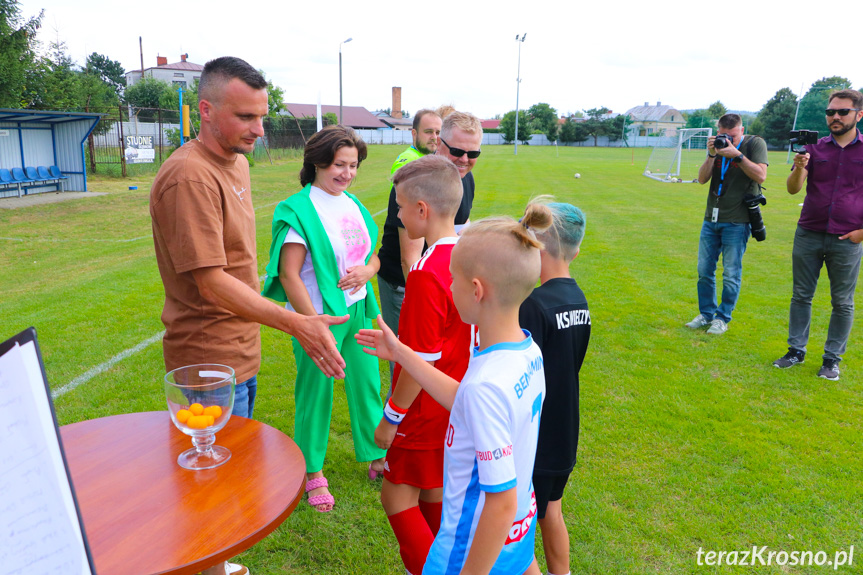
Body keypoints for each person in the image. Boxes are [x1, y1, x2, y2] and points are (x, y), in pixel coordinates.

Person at [150, 56, 347, 575]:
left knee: (230, 474)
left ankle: (218, 562)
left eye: (262, 117)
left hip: (240, 351)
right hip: (206, 361)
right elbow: (210, 282)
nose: (259, 130)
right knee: (207, 479)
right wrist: (297, 321)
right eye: (245, 118)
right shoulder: (189, 176)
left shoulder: (234, 162)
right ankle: (207, 565)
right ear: (206, 111)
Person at [357, 210, 553, 575]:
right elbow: (465, 398)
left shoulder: (485, 385)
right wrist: (401, 352)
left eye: (452, 280)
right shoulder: (525, 352)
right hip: (516, 540)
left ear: (476, 290)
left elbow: (501, 502)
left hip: (468, 552)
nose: (448, 287)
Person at [262, 125, 386, 512]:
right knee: (317, 392)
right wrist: (310, 321)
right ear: (316, 162)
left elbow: (371, 257)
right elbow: (288, 274)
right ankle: (311, 470)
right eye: (338, 165)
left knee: (366, 384)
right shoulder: (298, 209)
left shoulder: (354, 204)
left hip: (358, 311)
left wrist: (368, 272)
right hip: (319, 318)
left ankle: (376, 455)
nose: (346, 173)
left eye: (352, 166)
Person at [374, 155, 471, 575]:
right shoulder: (468, 258)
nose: (396, 214)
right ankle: (448, 563)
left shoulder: (425, 273)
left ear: (421, 210)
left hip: (424, 409)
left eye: (398, 206)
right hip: (455, 401)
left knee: (395, 497)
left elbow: (421, 360)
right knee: (432, 490)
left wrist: (391, 417)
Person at [376, 110, 482, 383]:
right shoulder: (416, 181)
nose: (465, 160)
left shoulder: (464, 178)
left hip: (443, 285)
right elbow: (410, 259)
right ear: (439, 144)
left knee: (441, 364)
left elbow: (462, 227)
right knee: (409, 365)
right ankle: (397, 418)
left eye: (473, 154)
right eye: (458, 150)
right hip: (406, 284)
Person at [517, 199, 590, 575]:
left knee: (520, 520)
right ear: (575, 250)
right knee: (552, 510)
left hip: (538, 434)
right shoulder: (578, 299)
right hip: (565, 428)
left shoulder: (533, 306)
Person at [773, 89, 863, 381]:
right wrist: (800, 168)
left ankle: (831, 360)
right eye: (830, 112)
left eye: (843, 112)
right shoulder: (814, 147)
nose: (835, 117)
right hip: (809, 233)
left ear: (858, 115)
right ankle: (795, 351)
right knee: (801, 296)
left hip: (847, 239)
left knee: (843, 302)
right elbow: (793, 189)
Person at [685, 113, 768, 335]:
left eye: (732, 135)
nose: (727, 140)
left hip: (738, 220)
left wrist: (737, 155)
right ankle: (706, 314)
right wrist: (712, 154)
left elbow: (761, 176)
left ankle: (722, 318)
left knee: (731, 273)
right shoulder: (718, 147)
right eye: (723, 135)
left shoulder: (754, 143)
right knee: (704, 271)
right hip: (711, 219)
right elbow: (702, 179)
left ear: (742, 130)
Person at [376, 109, 442, 381]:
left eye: (438, 132)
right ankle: (397, 419)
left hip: (417, 276)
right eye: (429, 132)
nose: (435, 138)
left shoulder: (433, 168)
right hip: (400, 280)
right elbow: (409, 253)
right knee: (405, 359)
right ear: (413, 134)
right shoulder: (410, 170)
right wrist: (419, 298)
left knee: (422, 358)